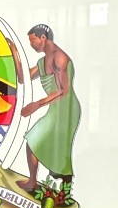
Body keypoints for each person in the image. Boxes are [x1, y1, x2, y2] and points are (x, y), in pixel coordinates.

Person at [11, 24, 81, 192]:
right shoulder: (42, 62)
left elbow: (64, 90)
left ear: (43, 38)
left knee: (55, 145)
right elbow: (23, 78)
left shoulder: (60, 57)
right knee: (33, 139)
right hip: (55, 108)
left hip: (67, 109)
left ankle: (60, 187)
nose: (31, 44)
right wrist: (14, 51)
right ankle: (33, 181)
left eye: (33, 40)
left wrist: (36, 105)